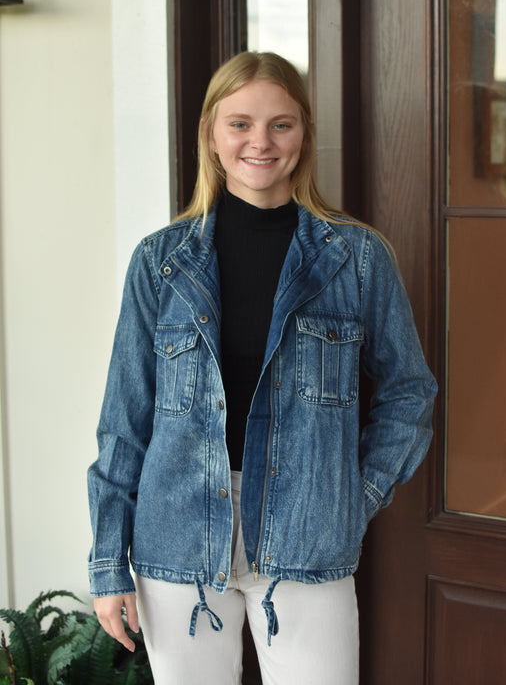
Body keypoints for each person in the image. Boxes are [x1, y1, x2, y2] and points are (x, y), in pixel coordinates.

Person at [88, 51, 437, 685]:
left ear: (304, 133)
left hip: (308, 537)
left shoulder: (357, 259)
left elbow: (410, 395)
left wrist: (353, 498)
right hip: (180, 541)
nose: (260, 141)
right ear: (212, 137)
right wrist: (109, 562)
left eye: (281, 123)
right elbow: (124, 424)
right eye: (240, 123)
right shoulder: (160, 263)